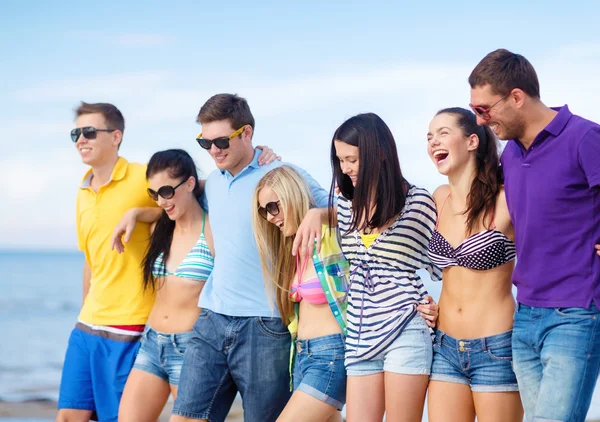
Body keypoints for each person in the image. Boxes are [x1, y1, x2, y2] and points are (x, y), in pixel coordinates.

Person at [162, 93, 330, 422]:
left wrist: (319, 216)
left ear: (247, 133)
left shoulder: (281, 172)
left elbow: (345, 212)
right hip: (211, 319)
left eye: (222, 140)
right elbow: (168, 196)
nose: (214, 150)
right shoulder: (211, 186)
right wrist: (133, 215)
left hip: (264, 326)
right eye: (205, 143)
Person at [469, 48, 600, 422]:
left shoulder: (585, 137)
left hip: (575, 313)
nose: (480, 120)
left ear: (516, 97)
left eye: (484, 109)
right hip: (524, 314)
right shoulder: (510, 155)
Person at [324, 112, 440, 422]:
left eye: (353, 159)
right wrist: (317, 215)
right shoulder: (343, 207)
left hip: (406, 327)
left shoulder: (418, 203)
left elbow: (445, 266)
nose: (346, 169)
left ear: (381, 153)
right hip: (359, 334)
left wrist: (438, 303)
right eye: (341, 160)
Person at [57, 102, 158, 422]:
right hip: (88, 323)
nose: (80, 140)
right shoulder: (82, 191)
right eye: (76, 133)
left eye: (89, 132)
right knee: (69, 417)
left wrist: (139, 212)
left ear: (116, 136)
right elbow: (91, 260)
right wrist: (84, 308)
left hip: (130, 324)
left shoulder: (143, 175)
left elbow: (185, 202)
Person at [425, 107, 523, 421]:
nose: (433, 142)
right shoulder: (438, 198)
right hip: (444, 347)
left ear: (471, 142)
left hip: (496, 347)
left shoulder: (506, 200)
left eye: (442, 133)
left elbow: (555, 238)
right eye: (429, 137)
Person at [118, 149, 215, 421]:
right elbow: (156, 211)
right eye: (154, 194)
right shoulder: (160, 228)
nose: (161, 201)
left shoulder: (213, 232)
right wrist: (137, 211)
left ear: (191, 184)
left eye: (166, 191)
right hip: (151, 343)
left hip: (191, 349)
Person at [252, 166, 349, 422]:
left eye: (273, 207)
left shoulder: (333, 235)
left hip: (332, 355)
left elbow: (364, 216)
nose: (270, 217)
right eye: (264, 212)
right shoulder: (293, 250)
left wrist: (320, 213)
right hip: (302, 356)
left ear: (292, 195)